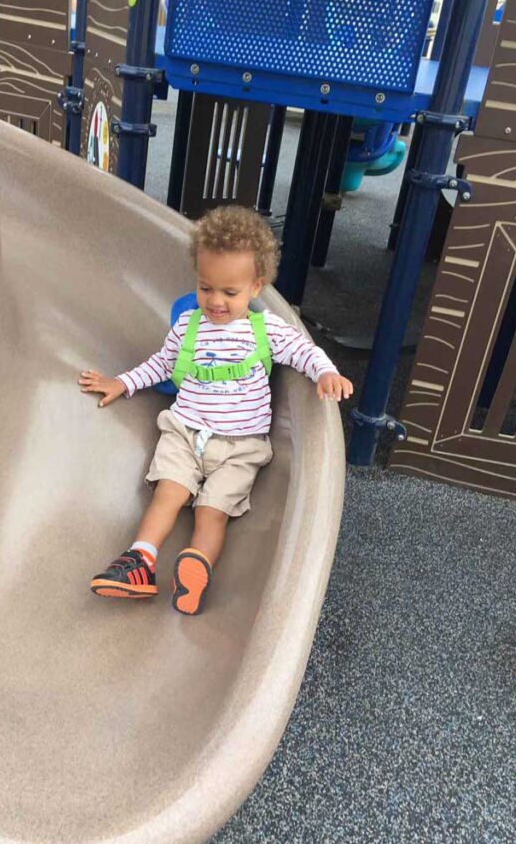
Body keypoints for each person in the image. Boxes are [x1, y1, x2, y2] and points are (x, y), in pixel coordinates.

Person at [78, 206, 353, 616]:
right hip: (186, 432)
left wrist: (327, 373)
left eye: (230, 292)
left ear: (255, 286)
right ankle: (140, 561)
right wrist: (123, 382)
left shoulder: (266, 330)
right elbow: (162, 364)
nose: (216, 301)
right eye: (206, 288)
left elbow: (304, 352)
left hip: (240, 446)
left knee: (212, 512)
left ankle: (196, 566)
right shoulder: (188, 326)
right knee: (168, 493)